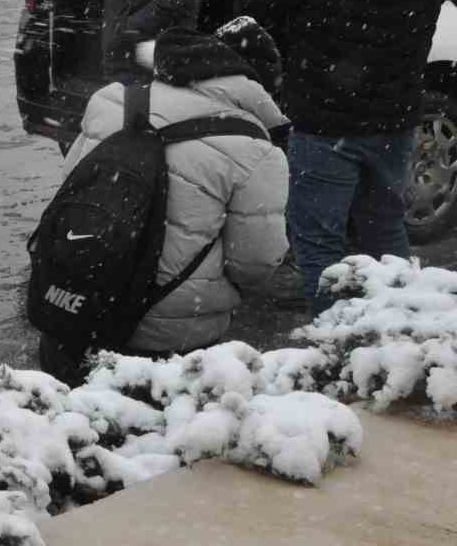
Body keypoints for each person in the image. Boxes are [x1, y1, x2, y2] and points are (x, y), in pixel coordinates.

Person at [236, 0, 457, 313]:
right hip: (395, 119)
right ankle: (395, 333)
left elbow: (253, 4)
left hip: (323, 121)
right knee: (385, 231)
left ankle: (333, 340)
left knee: (319, 241)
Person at [39, 23, 289, 383]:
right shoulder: (256, 150)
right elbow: (255, 264)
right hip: (172, 342)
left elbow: (68, 190)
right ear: (260, 86)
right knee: (155, 433)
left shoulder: (114, 100)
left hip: (75, 307)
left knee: (64, 428)